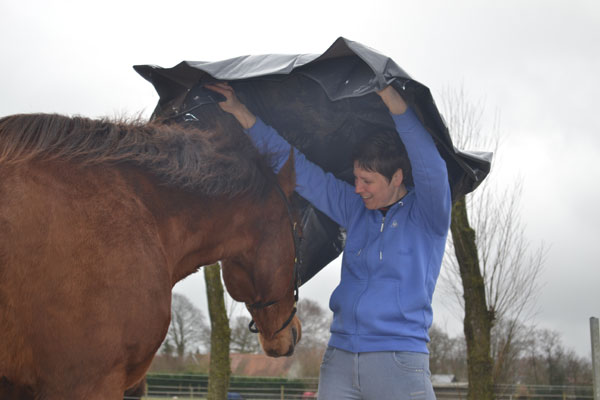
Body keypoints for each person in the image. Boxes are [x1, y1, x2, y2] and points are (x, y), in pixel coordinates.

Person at [206, 82, 451, 400]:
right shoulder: (354, 208)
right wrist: (240, 111)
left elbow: (429, 163)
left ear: (397, 178)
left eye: (368, 181)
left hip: (398, 362)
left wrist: (391, 97)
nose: (358, 188)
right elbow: (299, 169)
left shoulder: (428, 215)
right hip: (340, 361)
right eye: (356, 178)